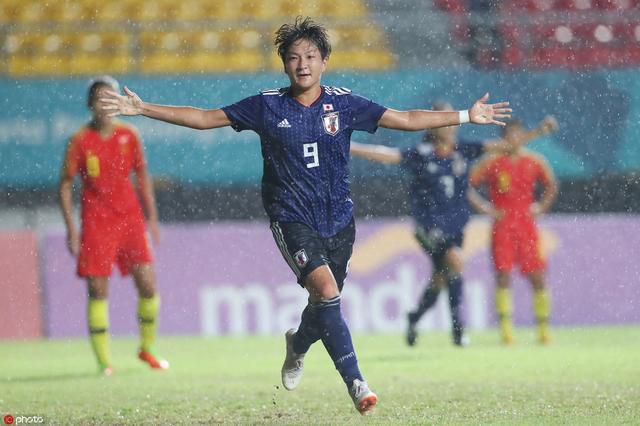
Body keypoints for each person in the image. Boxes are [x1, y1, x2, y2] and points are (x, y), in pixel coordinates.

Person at [99, 17, 510, 414]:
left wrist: (464, 116)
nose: (303, 64)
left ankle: (297, 345)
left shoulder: (344, 104)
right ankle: (357, 383)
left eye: (311, 56)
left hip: (339, 221)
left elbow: (404, 119)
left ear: (324, 61)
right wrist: (143, 109)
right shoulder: (266, 106)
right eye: (294, 57)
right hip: (291, 218)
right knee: (328, 292)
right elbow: (207, 118)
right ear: (284, 63)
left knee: (324, 303)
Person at [351, 101, 510, 348]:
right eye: (443, 119)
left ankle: (415, 317)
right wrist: (352, 147)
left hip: (455, 226)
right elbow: (388, 155)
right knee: (455, 262)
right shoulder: (421, 154)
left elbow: (505, 147)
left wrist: (539, 132)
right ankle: (458, 330)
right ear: (433, 125)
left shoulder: (463, 150)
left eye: (452, 119)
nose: (450, 126)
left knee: (441, 277)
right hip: (428, 227)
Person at [59, 76, 169, 376]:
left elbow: (143, 178)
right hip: (96, 223)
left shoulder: (129, 135)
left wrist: (152, 218)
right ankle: (103, 362)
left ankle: (147, 348)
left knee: (148, 284)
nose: (106, 104)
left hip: (130, 220)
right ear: (90, 104)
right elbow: (66, 185)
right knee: (98, 290)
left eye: (111, 98)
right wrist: (71, 229)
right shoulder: (80, 140)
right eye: (100, 98)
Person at [468, 116, 558, 345]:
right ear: (503, 139)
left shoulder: (534, 161)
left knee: (537, 276)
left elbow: (551, 185)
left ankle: (543, 330)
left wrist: (541, 207)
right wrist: (485, 208)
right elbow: (466, 184)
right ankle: (506, 332)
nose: (515, 139)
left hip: (527, 224)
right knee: (503, 275)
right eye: (510, 135)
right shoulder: (491, 162)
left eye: (518, 134)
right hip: (503, 224)